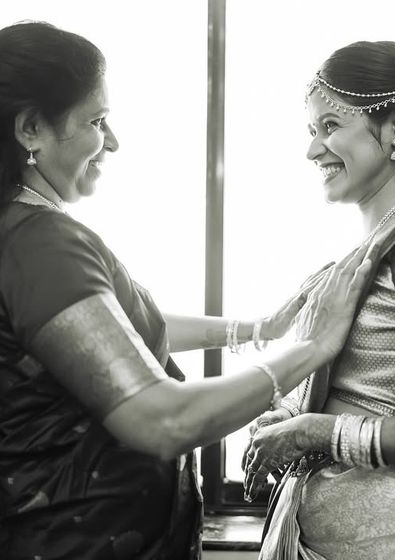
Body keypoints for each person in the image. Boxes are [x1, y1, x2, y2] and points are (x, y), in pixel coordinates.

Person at [0, 21, 371, 560]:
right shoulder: (40, 243)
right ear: (31, 128)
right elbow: (164, 420)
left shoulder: (22, 228)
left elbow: (111, 337)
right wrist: (309, 350)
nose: (114, 142)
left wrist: (257, 330)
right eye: (98, 121)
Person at [243, 40, 395, 560]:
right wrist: (289, 417)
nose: (312, 150)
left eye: (331, 127)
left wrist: (316, 431)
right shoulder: (374, 244)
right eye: (311, 130)